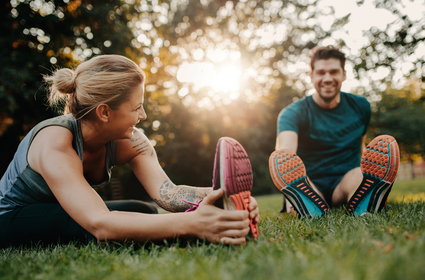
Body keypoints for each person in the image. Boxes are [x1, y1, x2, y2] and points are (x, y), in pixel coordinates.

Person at [0, 55, 259, 248]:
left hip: (65, 213)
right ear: (104, 112)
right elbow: (99, 222)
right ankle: (202, 231)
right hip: (12, 217)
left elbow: (168, 194)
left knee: (143, 211)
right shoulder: (55, 142)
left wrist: (227, 197)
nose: (143, 115)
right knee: (98, 228)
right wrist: (192, 223)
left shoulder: (131, 141)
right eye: (136, 108)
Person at [269, 46, 399, 218]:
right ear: (312, 76)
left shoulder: (361, 106)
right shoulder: (293, 113)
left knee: (360, 176)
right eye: (321, 72)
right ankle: (300, 200)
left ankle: (366, 199)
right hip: (310, 182)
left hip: (345, 180)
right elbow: (285, 155)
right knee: (301, 185)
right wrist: (287, 186)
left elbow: (360, 142)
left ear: (344, 74)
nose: (327, 78)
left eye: (334, 72)